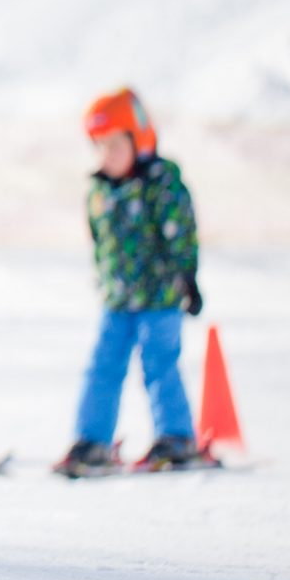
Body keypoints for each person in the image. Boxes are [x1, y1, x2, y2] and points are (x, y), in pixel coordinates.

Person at [58, 87, 206, 477]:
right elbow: (98, 240)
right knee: (103, 366)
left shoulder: (161, 182)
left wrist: (188, 278)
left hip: (160, 297)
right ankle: (92, 440)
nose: (106, 155)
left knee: (159, 364)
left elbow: (182, 233)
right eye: (99, 146)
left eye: (114, 145)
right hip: (117, 299)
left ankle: (176, 437)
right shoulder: (99, 190)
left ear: (139, 140)